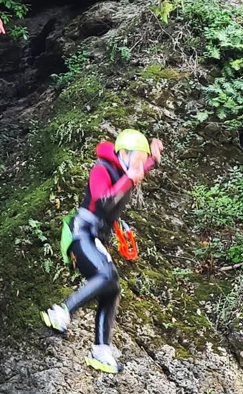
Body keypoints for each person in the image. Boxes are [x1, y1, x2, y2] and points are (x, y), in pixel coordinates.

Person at [42, 129, 164, 374]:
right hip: (81, 233)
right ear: (124, 154)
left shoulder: (126, 169)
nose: (140, 167)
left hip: (97, 237)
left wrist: (153, 158)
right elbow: (102, 202)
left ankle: (100, 351)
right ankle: (61, 312)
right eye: (137, 160)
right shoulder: (102, 169)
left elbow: (139, 169)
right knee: (107, 275)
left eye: (141, 162)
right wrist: (129, 178)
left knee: (112, 288)